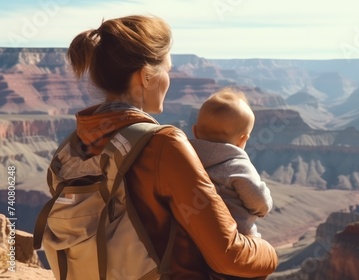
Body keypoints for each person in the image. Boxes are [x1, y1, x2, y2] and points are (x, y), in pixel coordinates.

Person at [65, 15, 277, 279]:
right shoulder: (164, 145)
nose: (169, 79)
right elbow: (229, 256)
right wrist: (269, 253)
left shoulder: (76, 143)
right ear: (145, 77)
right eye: (167, 69)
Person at [190, 88, 272, 238]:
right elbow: (260, 203)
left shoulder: (184, 158)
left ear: (195, 131)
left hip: (193, 234)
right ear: (243, 140)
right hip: (236, 240)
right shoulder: (238, 166)